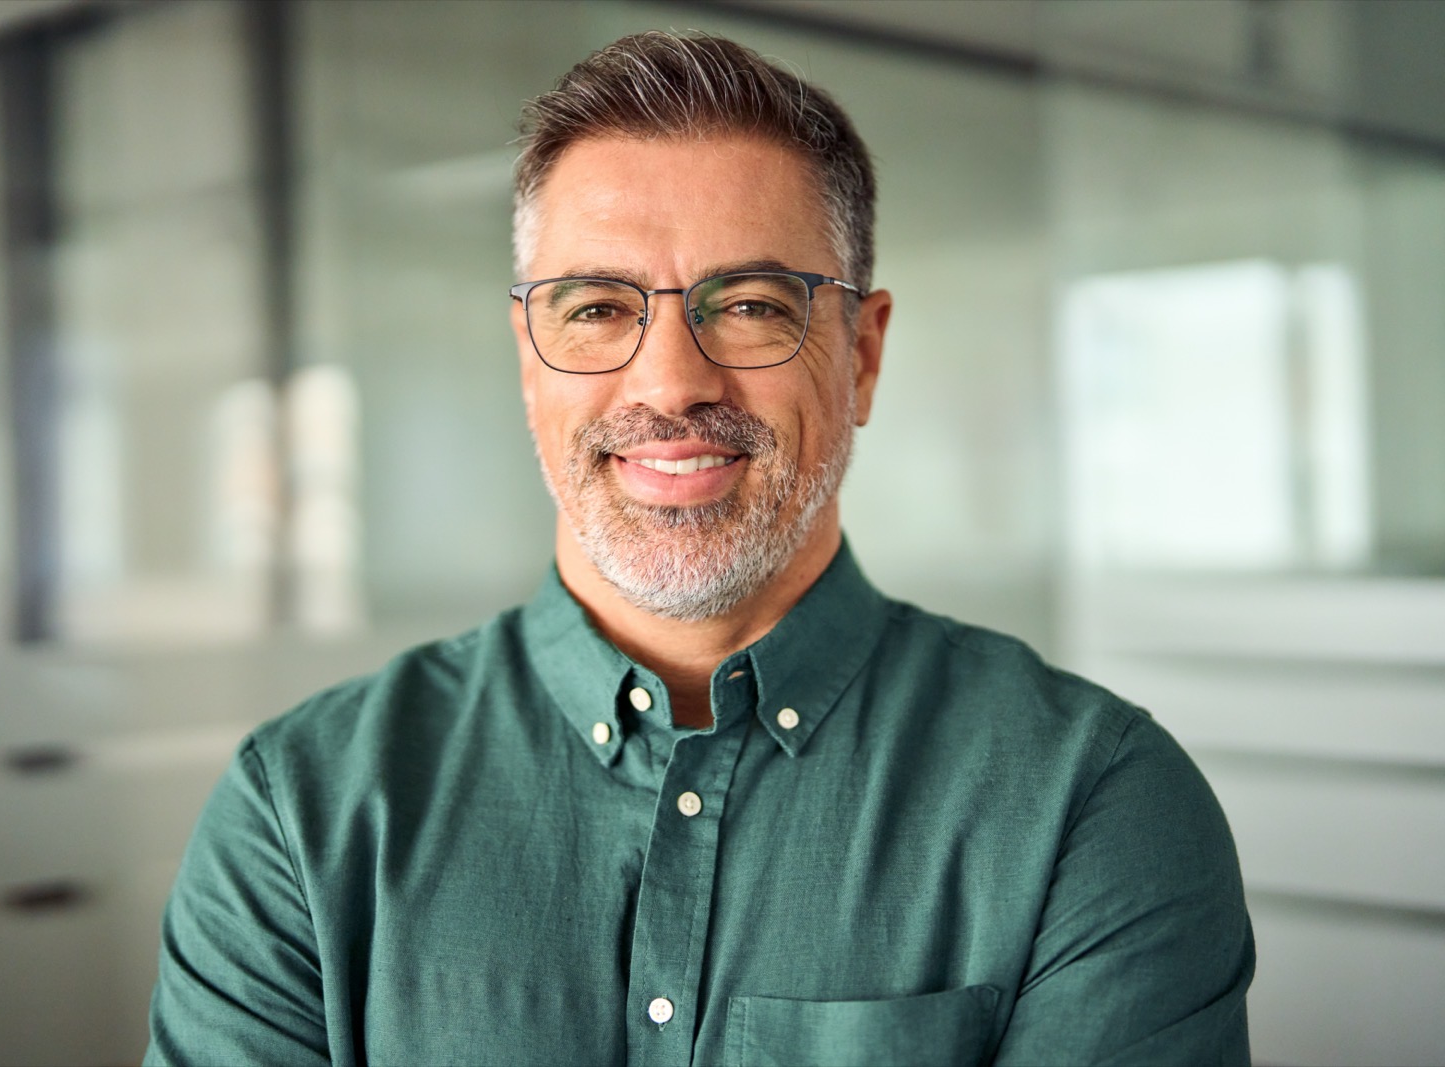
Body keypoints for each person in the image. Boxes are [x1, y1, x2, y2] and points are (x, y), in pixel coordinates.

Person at [145, 31, 1253, 1067]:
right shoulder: (302, 810)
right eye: (594, 310)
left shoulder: (1088, 803)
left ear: (861, 358)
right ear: (529, 361)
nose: (671, 381)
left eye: (753, 305)